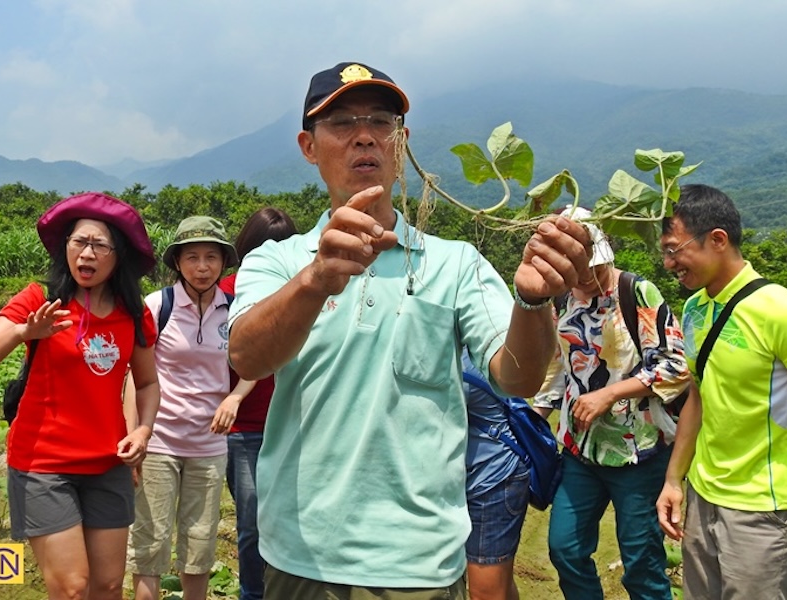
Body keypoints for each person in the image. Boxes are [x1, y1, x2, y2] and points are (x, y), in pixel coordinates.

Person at [226, 61, 594, 599]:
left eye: (381, 120)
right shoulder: (279, 262)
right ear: (309, 146)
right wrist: (316, 280)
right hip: (304, 557)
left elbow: (516, 378)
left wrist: (534, 301)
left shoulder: (455, 263)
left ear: (402, 142)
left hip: (420, 564)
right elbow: (247, 358)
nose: (364, 135)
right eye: (342, 122)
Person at [655, 184, 787, 599]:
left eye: (675, 249)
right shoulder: (694, 309)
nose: (667, 262)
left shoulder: (779, 311)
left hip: (766, 511)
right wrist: (674, 480)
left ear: (717, 239)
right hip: (704, 495)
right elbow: (699, 396)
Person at [0, 192, 160, 600]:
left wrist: (143, 431)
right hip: (44, 464)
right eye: (79, 242)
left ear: (117, 255)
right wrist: (22, 333)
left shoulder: (133, 313)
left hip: (108, 463)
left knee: (106, 586)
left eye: (99, 245)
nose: (87, 253)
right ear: (65, 248)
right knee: (71, 588)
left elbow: (147, 383)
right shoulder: (38, 299)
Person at [532, 206, 690, 600]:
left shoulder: (636, 292)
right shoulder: (563, 299)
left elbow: (675, 365)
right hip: (579, 451)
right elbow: (558, 369)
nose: (589, 276)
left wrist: (611, 392)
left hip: (637, 453)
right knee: (565, 548)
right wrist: (533, 421)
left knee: (642, 562)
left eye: (592, 263)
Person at [126, 216, 255, 600]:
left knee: (200, 545)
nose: (202, 267)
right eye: (192, 257)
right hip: (159, 442)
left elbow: (258, 361)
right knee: (150, 544)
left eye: (211, 257)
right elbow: (136, 376)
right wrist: (134, 433)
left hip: (210, 447)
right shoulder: (157, 305)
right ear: (177, 263)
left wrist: (235, 396)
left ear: (224, 262)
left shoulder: (235, 309)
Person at [217, 207, 298, 600]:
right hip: (246, 428)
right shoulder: (228, 292)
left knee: (291, 517)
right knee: (251, 521)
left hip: (295, 424)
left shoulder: (308, 291)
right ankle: (253, 592)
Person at [461, 349, 529, 600]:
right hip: (467, 477)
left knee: (485, 592)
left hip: (491, 481)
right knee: (496, 583)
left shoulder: (463, 356)